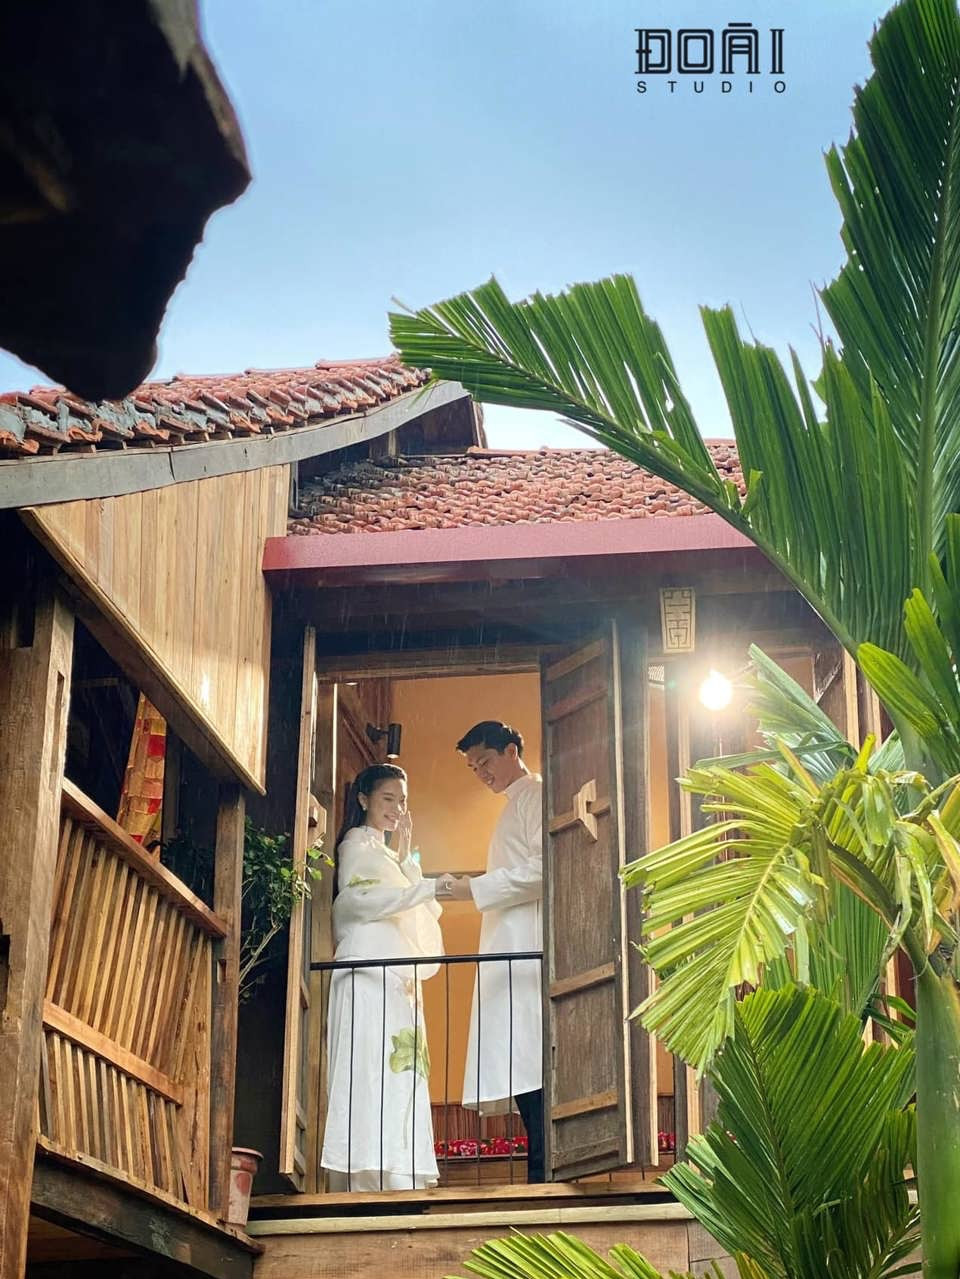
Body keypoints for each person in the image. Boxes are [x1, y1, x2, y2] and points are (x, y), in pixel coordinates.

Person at [321, 763, 443, 1192]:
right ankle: (365, 1174)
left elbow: (422, 906)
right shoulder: (355, 844)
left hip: (397, 978)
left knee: (399, 1071)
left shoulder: (394, 857)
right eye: (388, 799)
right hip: (368, 968)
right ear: (363, 800)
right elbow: (360, 898)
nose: (397, 809)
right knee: (368, 1064)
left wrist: (408, 860)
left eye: (402, 801)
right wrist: (422, 887)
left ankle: (397, 1172)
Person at [445, 721, 545, 1182]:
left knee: (529, 1057)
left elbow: (543, 869)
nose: (481, 773)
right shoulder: (515, 804)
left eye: (485, 761)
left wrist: (476, 888)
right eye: (472, 768)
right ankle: (539, 1168)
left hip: (525, 944)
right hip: (510, 941)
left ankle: (542, 1170)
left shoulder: (535, 796)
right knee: (519, 1056)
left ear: (511, 751)